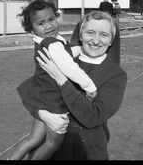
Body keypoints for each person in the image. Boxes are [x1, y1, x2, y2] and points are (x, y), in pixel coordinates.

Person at [9, 0, 98, 160]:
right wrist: (89, 86)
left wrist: (79, 49)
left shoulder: (44, 40)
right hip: (52, 101)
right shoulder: (52, 44)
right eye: (41, 23)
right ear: (31, 28)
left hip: (40, 96)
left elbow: (64, 54)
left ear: (56, 17)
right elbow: (70, 68)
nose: (48, 25)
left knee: (33, 139)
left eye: (51, 19)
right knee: (52, 144)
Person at [35, 10, 128, 160]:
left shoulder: (116, 75)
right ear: (80, 34)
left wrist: (61, 80)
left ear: (111, 40)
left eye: (104, 35)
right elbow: (37, 93)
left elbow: (93, 116)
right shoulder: (63, 60)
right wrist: (42, 114)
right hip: (54, 144)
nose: (96, 40)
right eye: (90, 32)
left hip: (88, 149)